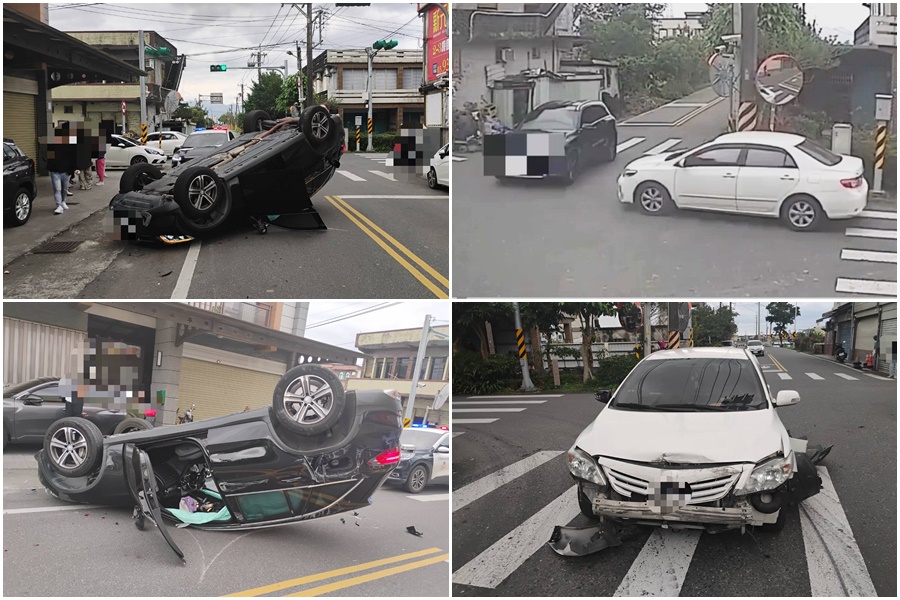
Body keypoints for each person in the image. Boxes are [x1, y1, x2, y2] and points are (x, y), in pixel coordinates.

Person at [46, 123, 77, 214]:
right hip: (55, 170)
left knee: (64, 189)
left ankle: (63, 201)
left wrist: (74, 168)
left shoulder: (71, 141)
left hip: (66, 170)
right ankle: (58, 206)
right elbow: (48, 153)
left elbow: (74, 155)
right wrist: (49, 164)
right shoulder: (52, 140)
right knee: (57, 189)